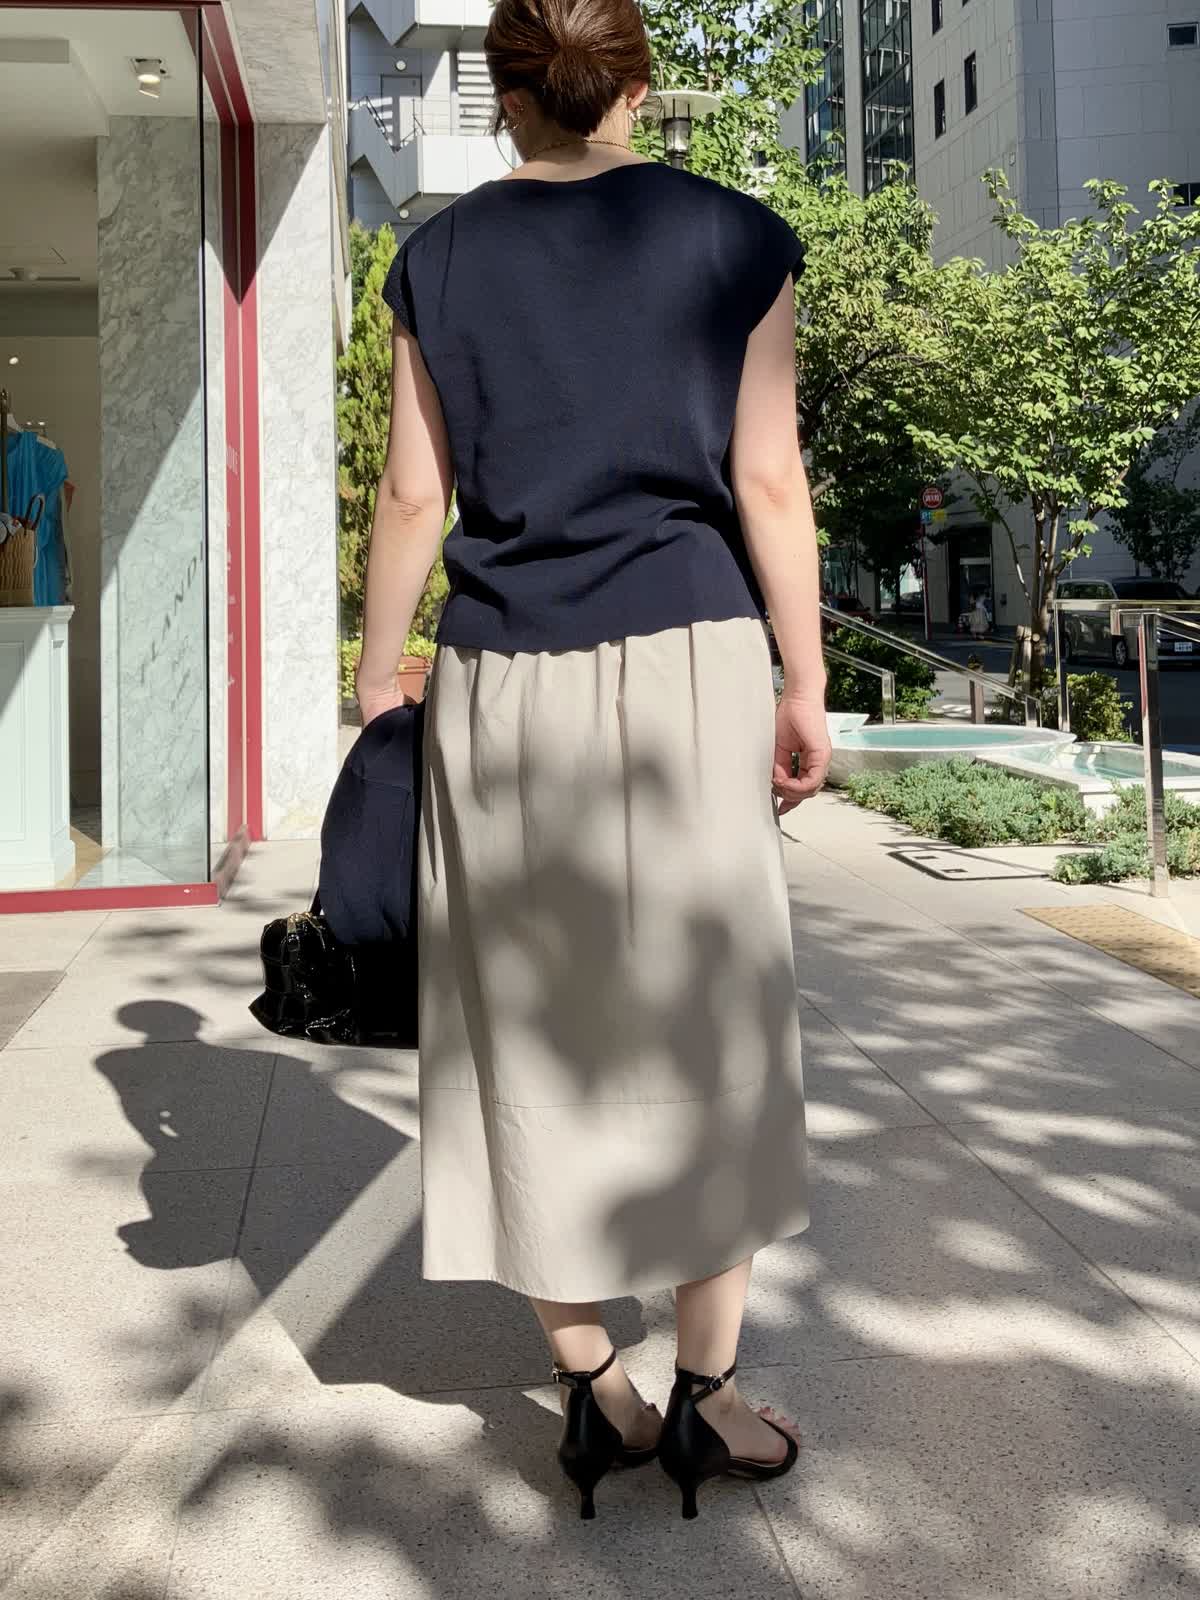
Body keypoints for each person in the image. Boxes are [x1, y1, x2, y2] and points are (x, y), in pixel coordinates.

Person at [354, 0, 829, 1523]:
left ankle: (594, 1391)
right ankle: (708, 1397)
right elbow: (767, 477)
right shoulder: (735, 239)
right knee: (711, 1009)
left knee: (522, 1019)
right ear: (636, 81)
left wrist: (376, 670)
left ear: (505, 93)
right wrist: (806, 678)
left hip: (503, 675)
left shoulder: (438, 257)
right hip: (694, 660)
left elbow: (414, 498)